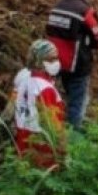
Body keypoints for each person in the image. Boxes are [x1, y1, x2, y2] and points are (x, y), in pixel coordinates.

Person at [45, 0, 98, 130]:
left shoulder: (57, 6)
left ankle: (55, 133)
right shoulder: (84, 10)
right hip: (77, 65)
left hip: (56, 63)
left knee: (60, 100)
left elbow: (49, 30)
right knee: (77, 105)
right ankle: (71, 143)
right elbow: (97, 35)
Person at [10, 39, 66, 167]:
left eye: (56, 59)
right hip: (43, 146)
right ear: (39, 61)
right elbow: (51, 123)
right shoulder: (45, 88)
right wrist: (62, 147)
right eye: (51, 59)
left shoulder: (24, 82)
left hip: (24, 140)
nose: (56, 63)